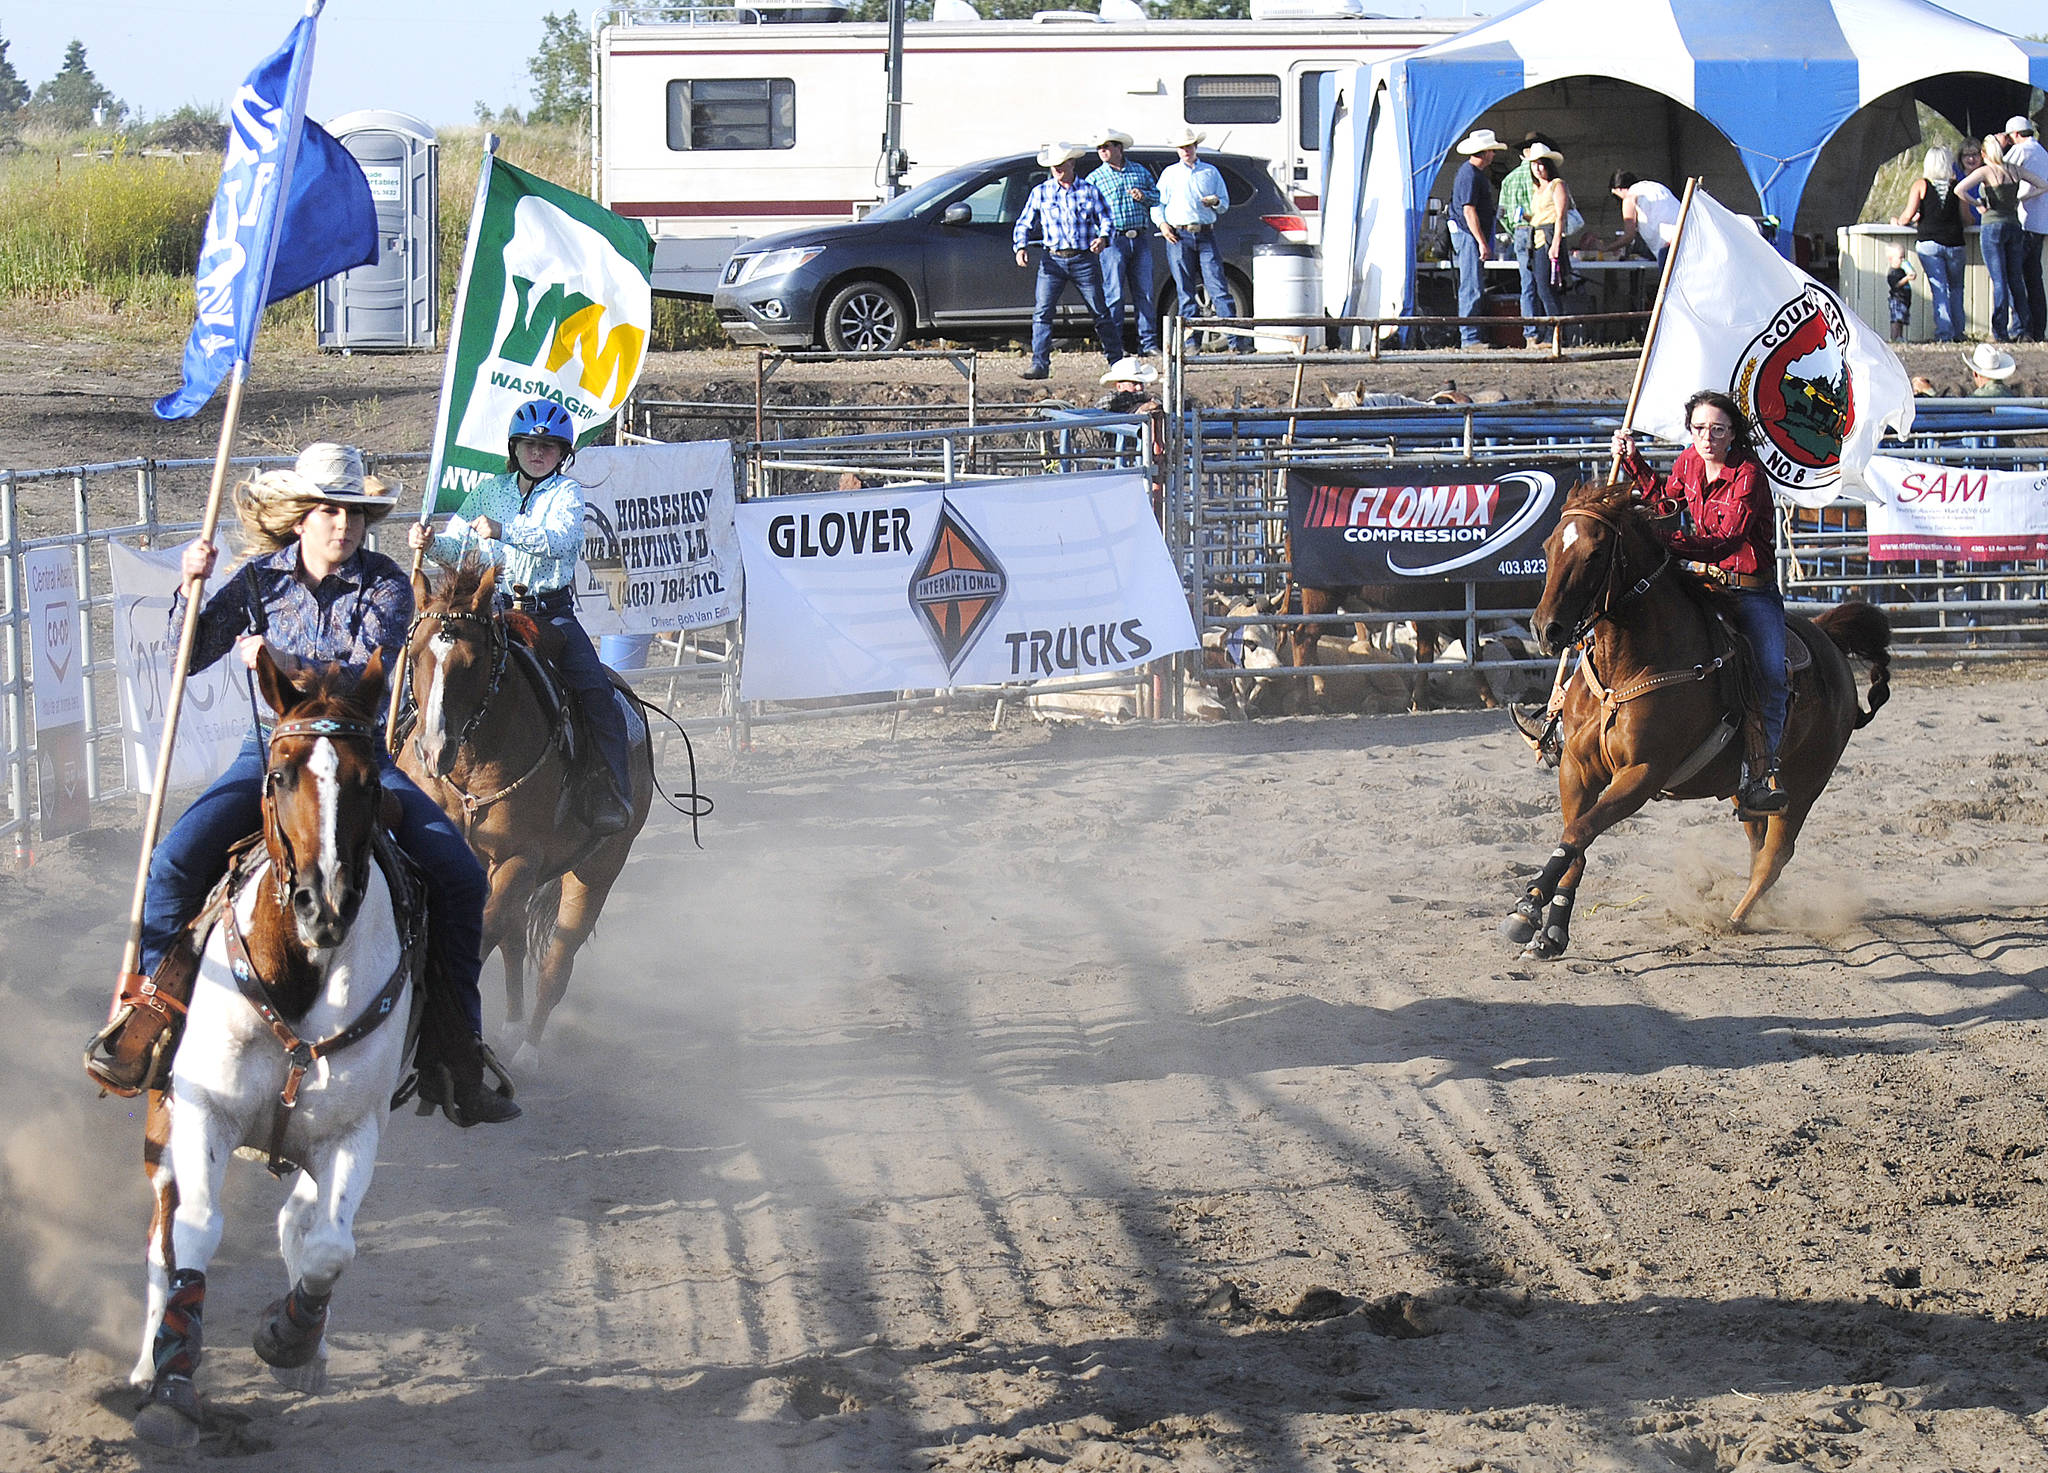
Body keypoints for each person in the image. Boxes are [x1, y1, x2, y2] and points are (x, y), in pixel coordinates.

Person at [107, 444, 516, 1125]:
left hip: (361, 760)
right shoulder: (261, 579)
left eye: (354, 512)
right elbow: (191, 651)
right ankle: (155, 1018)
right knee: (174, 862)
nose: (343, 524)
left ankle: (456, 1050)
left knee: (460, 876)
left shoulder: (385, 584)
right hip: (275, 754)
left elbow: (363, 676)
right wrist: (192, 590)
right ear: (302, 517)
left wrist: (275, 659)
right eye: (330, 510)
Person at [410, 398, 634, 839]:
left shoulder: (567, 493)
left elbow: (561, 539)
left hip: (548, 613)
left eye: (548, 447)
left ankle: (609, 787)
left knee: (596, 690)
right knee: (428, 672)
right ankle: (396, 767)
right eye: (529, 445)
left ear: (562, 454)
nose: (537, 453)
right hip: (487, 612)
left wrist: (504, 529)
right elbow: (459, 548)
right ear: (515, 448)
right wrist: (432, 542)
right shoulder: (489, 490)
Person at [1612, 393, 1790, 816]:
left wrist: (1666, 542)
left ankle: (1760, 774)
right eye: (1698, 429)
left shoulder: (1748, 475)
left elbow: (1726, 539)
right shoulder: (1688, 462)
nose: (1707, 438)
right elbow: (1665, 504)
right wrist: (1634, 462)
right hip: (1706, 583)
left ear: (1732, 433)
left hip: (1750, 591)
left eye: (1717, 430)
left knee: (1771, 677)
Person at [1011, 142, 1121, 380]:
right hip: (1052, 259)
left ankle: (1116, 361)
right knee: (1042, 312)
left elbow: (1107, 220)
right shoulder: (1041, 192)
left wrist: (1103, 238)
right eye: (1054, 166)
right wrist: (1020, 246)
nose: (1057, 169)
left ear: (1072, 163)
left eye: (1061, 164)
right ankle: (1039, 364)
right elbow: (1024, 222)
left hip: (1082, 258)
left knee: (1100, 311)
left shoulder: (1089, 191)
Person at [1154, 124, 1245, 351]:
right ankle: (1191, 342)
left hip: (1205, 233)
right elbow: (1158, 204)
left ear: (1195, 147)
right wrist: (1163, 225)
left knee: (1218, 288)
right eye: (1182, 147)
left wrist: (1215, 201)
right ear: (1177, 150)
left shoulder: (1210, 172)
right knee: (1185, 291)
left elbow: (1224, 203)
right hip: (1178, 234)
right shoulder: (1169, 174)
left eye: (1189, 146)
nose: (1186, 150)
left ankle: (1235, 341)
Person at [1086, 128, 1161, 358]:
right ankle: (1114, 344)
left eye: (1107, 147)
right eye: (1100, 148)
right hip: (1113, 240)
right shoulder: (1095, 178)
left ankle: (1148, 343)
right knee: (1114, 293)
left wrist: (1144, 197)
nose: (1103, 151)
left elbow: (1158, 196)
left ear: (1119, 148)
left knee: (1145, 293)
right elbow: (1087, 212)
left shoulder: (1139, 171)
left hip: (1138, 237)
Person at [1972, 124, 2048, 343]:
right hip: (2030, 224)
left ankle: (2008, 329)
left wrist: (1981, 203)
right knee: (2029, 278)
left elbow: (1961, 189)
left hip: (2015, 222)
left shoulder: (2016, 155)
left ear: (2015, 134)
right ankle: (2031, 329)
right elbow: (2042, 184)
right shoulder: (2041, 152)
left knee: (2004, 279)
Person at [1893, 146, 1972, 343]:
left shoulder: (1921, 184)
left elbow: (1907, 216)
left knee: (1939, 288)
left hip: (1929, 242)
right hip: (1955, 242)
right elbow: (1967, 219)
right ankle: (1958, 332)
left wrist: (1899, 221)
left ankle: (1944, 333)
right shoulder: (1959, 186)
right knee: (1956, 289)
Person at [1496, 133, 1557, 348]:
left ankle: (1531, 334)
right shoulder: (1544, 179)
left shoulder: (1509, 179)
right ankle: (1551, 330)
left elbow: (1502, 214)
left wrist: (1512, 231)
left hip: (1521, 231)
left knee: (1527, 284)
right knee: (1546, 283)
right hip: (1541, 229)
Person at [1447, 128, 1502, 350]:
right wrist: (1481, 240)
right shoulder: (1470, 175)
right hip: (1468, 235)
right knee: (1471, 285)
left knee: (1473, 284)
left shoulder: (1470, 173)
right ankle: (1469, 337)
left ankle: (1471, 335)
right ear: (1486, 152)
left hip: (1469, 235)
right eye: (1492, 150)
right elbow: (1469, 210)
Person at [2005, 115, 2048, 340]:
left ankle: (2021, 328)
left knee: (2016, 277)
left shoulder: (2021, 151)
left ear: (2015, 135)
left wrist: (2019, 197)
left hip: (2024, 222)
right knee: (2034, 277)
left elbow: (2000, 170)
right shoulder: (2042, 152)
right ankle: (2038, 329)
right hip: (2041, 224)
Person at [1525, 145, 1577, 327]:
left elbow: (1560, 215)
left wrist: (1555, 243)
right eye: (1534, 165)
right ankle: (1551, 329)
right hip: (1537, 237)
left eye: (1541, 164)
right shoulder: (1536, 188)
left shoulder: (1557, 185)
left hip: (1550, 237)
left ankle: (1555, 331)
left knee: (1547, 288)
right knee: (1541, 286)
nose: (1537, 169)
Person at [1609, 172, 1682, 265]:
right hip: (1688, 236)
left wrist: (1606, 248)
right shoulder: (1656, 187)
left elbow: (1629, 236)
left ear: (1619, 189)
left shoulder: (1630, 197)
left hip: (1670, 246)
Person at [1884, 243, 1916, 342]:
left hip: (1904, 299)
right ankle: (1894, 337)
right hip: (1897, 299)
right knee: (1896, 319)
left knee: (1902, 319)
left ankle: (1900, 337)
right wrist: (1906, 278)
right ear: (1891, 259)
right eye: (1900, 258)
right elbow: (1896, 285)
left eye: (1904, 257)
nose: (1903, 260)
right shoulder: (1892, 272)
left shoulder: (1902, 270)